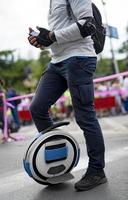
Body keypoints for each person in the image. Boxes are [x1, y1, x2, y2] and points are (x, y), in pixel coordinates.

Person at [28, 0, 107, 191]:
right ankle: (57, 158)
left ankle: (97, 171)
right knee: (37, 108)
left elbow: (87, 25)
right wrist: (43, 40)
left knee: (84, 116)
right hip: (57, 61)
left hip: (79, 58)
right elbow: (60, 35)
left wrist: (52, 35)